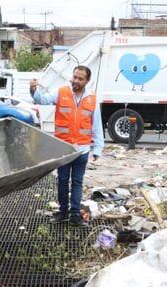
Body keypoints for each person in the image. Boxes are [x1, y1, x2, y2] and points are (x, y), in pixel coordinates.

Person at [30, 66, 104, 227]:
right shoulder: (61, 92)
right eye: (74, 77)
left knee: (77, 182)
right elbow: (43, 100)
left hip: (82, 149)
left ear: (87, 81)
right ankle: (63, 212)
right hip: (63, 148)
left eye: (80, 79)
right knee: (63, 181)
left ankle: (75, 215)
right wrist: (33, 90)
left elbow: (96, 125)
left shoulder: (92, 98)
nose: (76, 81)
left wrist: (97, 148)